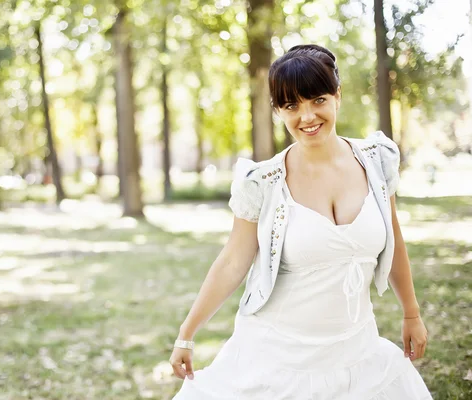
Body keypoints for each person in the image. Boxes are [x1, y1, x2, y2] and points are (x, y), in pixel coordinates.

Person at [169, 44, 432, 399]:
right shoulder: (262, 182)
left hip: (357, 350)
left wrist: (411, 314)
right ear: (278, 110)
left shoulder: (377, 162)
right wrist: (187, 332)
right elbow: (233, 261)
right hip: (275, 359)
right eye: (292, 105)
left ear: (337, 96)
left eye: (318, 99)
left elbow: (395, 240)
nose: (307, 117)